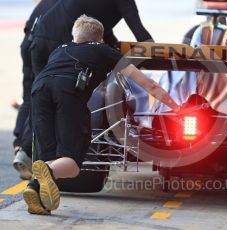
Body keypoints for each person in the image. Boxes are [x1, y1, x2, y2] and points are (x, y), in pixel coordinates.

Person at [23, 15, 179, 215]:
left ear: (75, 36)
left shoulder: (59, 50)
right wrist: (175, 107)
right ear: (101, 38)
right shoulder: (103, 50)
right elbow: (148, 84)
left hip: (39, 90)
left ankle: (35, 194)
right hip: (67, 91)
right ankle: (45, 176)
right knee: (71, 164)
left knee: (48, 158)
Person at [30, 0, 154, 77]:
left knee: (39, 102)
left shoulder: (99, 9)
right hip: (59, 45)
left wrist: (115, 49)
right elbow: (141, 35)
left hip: (38, 40)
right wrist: (164, 55)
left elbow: (104, 31)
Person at [12, 0, 58, 180]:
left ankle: (19, 145)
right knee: (39, 97)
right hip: (40, 47)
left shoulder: (47, 3)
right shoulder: (70, 4)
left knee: (29, 96)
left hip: (29, 44)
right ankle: (27, 150)